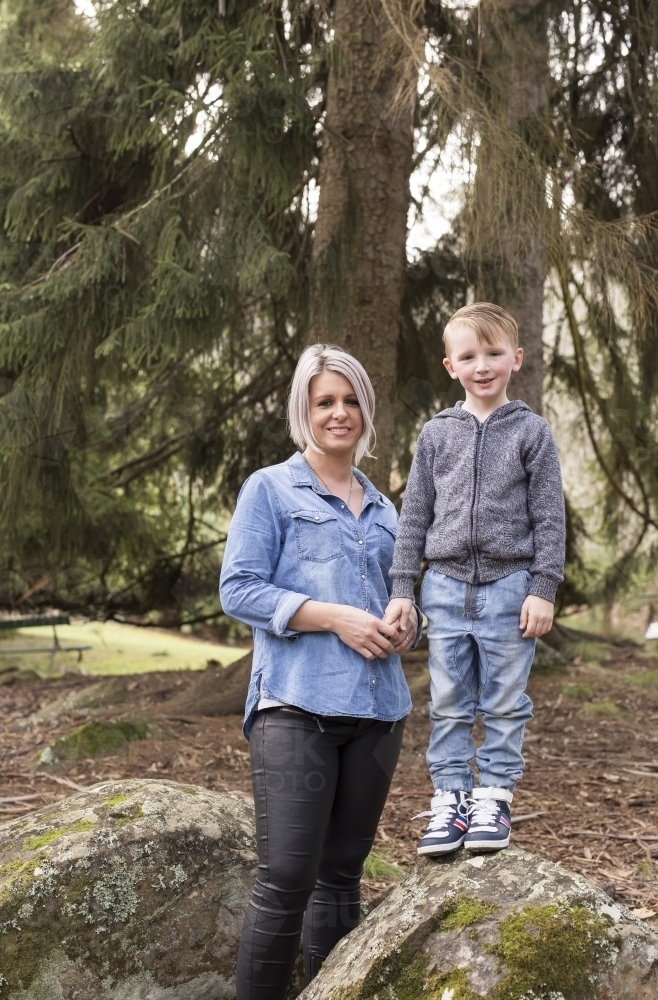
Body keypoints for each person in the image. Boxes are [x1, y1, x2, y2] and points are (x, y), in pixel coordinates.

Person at [220, 344, 419, 999]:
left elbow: (397, 596)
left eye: (350, 400)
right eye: (324, 401)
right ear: (304, 412)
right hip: (295, 709)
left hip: (378, 713)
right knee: (285, 879)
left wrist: (406, 618)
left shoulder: (385, 507)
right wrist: (334, 617)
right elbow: (239, 590)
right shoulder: (270, 489)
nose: (340, 413)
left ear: (366, 409)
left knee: (341, 878)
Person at [384, 302, 565, 855]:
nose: (482, 365)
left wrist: (542, 588)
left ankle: (494, 799)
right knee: (450, 702)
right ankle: (451, 801)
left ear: (517, 357)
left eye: (493, 353)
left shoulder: (531, 432)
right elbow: (414, 515)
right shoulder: (437, 433)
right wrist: (402, 590)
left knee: (506, 701)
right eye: (469, 356)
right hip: (442, 587)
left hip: (511, 587)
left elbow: (549, 516)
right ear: (450, 366)